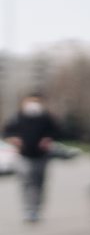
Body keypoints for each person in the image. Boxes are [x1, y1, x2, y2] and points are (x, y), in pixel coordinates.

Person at [3, 93, 61, 223]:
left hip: (41, 156)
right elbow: (7, 131)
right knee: (26, 183)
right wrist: (14, 139)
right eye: (30, 101)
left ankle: (37, 209)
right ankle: (28, 210)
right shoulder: (18, 117)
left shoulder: (46, 118)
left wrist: (48, 139)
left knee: (39, 183)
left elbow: (57, 132)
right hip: (23, 155)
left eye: (36, 102)